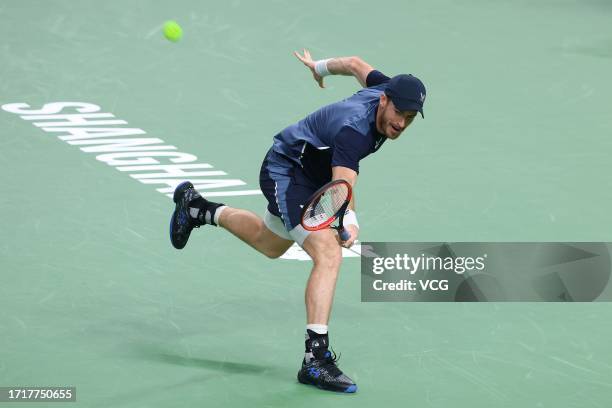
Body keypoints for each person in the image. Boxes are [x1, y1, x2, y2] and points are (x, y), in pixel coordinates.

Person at [169, 49, 426, 393]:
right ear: (384, 100)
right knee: (329, 255)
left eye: (410, 118)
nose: (401, 123)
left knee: (269, 243)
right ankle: (315, 360)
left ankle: (196, 207)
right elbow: (343, 187)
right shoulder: (355, 132)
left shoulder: (383, 88)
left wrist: (318, 68)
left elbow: (354, 64)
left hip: (315, 172)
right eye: (399, 114)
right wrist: (349, 220)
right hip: (287, 169)